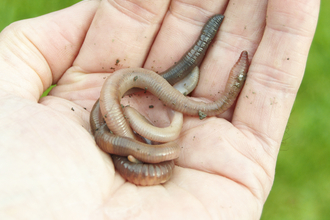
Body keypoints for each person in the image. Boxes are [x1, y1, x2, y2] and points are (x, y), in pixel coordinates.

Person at [0, 0, 319, 219]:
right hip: (128, 132)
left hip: (131, 127)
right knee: (182, 94)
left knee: (183, 86)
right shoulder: (114, 115)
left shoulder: (119, 111)